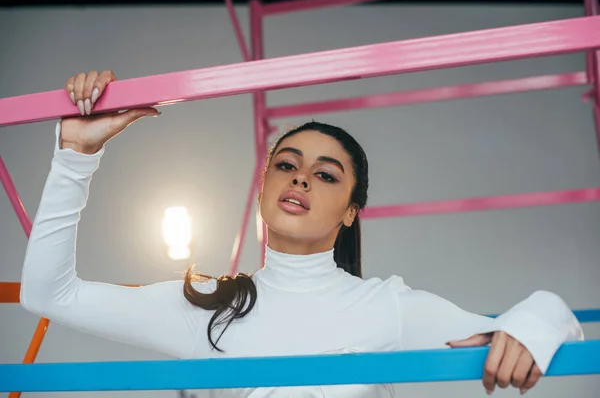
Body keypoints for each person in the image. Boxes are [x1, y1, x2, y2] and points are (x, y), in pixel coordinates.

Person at [20, 70, 583, 398]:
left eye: (325, 174)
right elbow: (48, 295)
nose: (301, 179)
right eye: (287, 165)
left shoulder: (386, 306)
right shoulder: (206, 307)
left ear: (349, 212)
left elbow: (540, 322)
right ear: (266, 187)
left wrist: (539, 314)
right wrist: (75, 154)